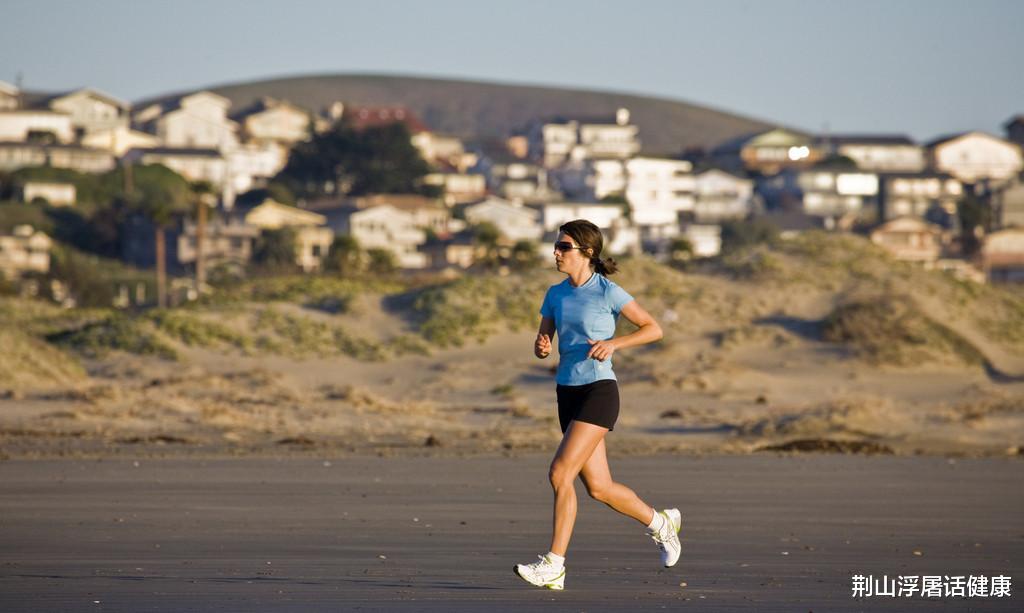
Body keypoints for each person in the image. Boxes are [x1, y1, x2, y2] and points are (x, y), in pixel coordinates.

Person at [514, 219, 681, 591]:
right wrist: (541, 346)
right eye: (556, 246)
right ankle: (660, 523)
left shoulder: (608, 291)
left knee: (560, 473)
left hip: (599, 390)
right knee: (600, 488)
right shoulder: (555, 295)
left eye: (564, 246)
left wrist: (614, 344)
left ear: (587, 252)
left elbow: (653, 328)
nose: (556, 252)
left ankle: (554, 565)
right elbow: (544, 339)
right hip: (567, 391)